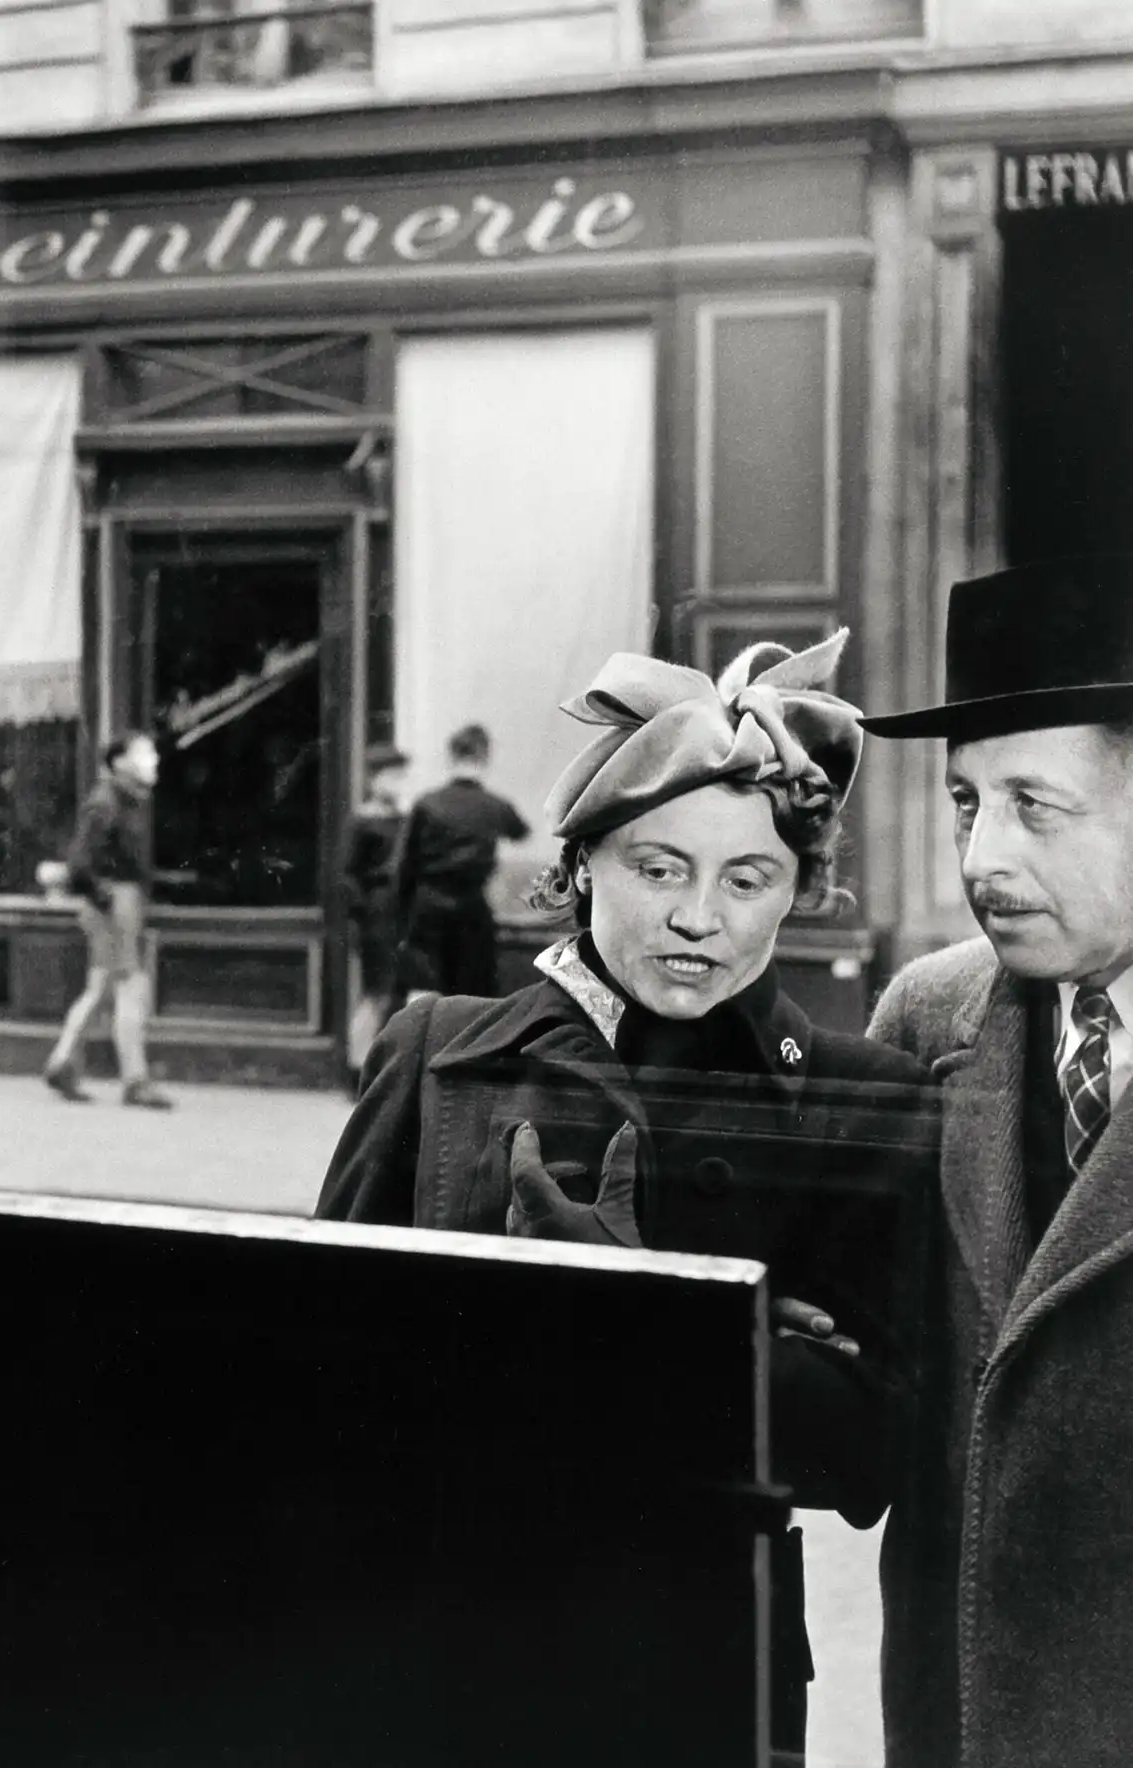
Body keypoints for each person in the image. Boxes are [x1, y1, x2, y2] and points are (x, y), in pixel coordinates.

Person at [318, 632, 939, 1762]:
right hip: (444, 1642)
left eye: (749, 878)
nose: (700, 918)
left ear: (800, 889)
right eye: (659, 868)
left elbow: (875, 1456)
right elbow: (320, 1390)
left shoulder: (862, 1097)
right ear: (582, 864)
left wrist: (656, 1317)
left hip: (700, 1666)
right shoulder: (436, 1053)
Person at [861, 556, 1133, 1768]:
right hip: (958, 1711)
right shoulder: (926, 1018)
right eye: (966, 802)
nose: (981, 859)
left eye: (1035, 803)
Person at [43, 730, 174, 1110]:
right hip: (115, 901)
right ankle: (135, 1080)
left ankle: (63, 1061)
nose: (152, 761)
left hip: (113, 900)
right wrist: (111, 901)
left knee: (101, 985)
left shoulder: (120, 801)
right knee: (132, 984)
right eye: (143, 754)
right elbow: (80, 864)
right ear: (119, 763)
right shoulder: (107, 803)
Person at [390, 723, 528, 1006]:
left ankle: (423, 1048)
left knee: (423, 993)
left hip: (428, 909)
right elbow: (520, 831)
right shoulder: (495, 805)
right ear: (485, 757)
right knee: (473, 995)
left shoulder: (427, 804)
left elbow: (404, 865)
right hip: (472, 909)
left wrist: (402, 917)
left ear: (451, 757)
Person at [339, 741, 410, 1079]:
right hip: (377, 915)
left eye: (400, 776)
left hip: (401, 914)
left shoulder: (405, 819)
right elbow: (348, 875)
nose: (396, 783)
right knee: (375, 994)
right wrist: (365, 913)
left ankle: (382, 1069)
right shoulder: (362, 821)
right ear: (373, 779)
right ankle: (356, 1067)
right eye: (390, 776)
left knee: (395, 993)